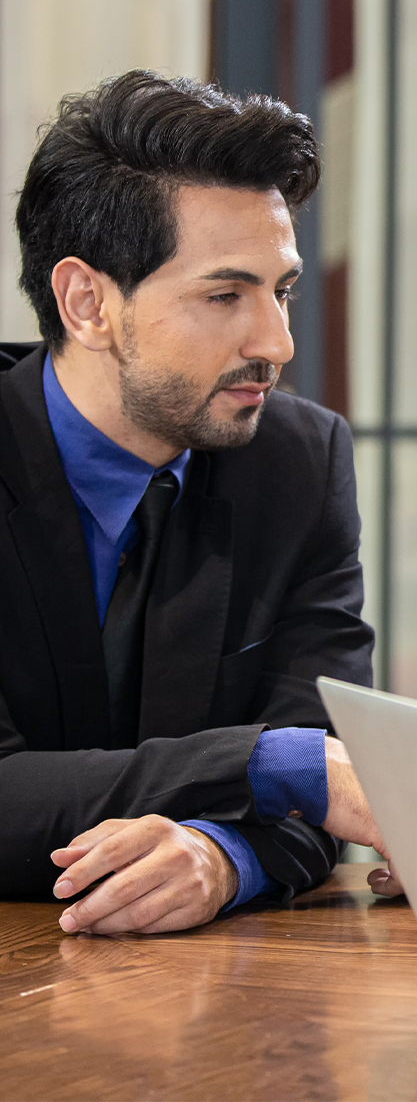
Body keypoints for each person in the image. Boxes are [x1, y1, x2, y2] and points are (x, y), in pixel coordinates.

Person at [1, 70, 391, 936]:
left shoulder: (298, 461)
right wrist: (266, 764)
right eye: (224, 296)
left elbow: (332, 785)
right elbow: (306, 767)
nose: (276, 342)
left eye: (280, 290)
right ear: (87, 302)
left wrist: (226, 856)